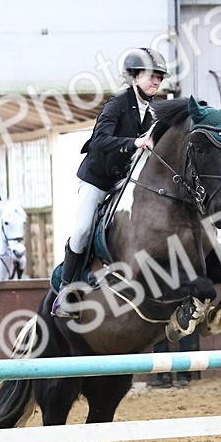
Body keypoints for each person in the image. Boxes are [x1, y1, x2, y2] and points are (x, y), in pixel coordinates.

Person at [53, 47, 169, 317]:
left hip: (123, 182)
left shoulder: (153, 112)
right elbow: (100, 141)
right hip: (97, 180)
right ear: (135, 76)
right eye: (152, 76)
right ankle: (66, 292)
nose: (156, 81)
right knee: (82, 229)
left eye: (160, 78)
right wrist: (134, 142)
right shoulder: (116, 104)